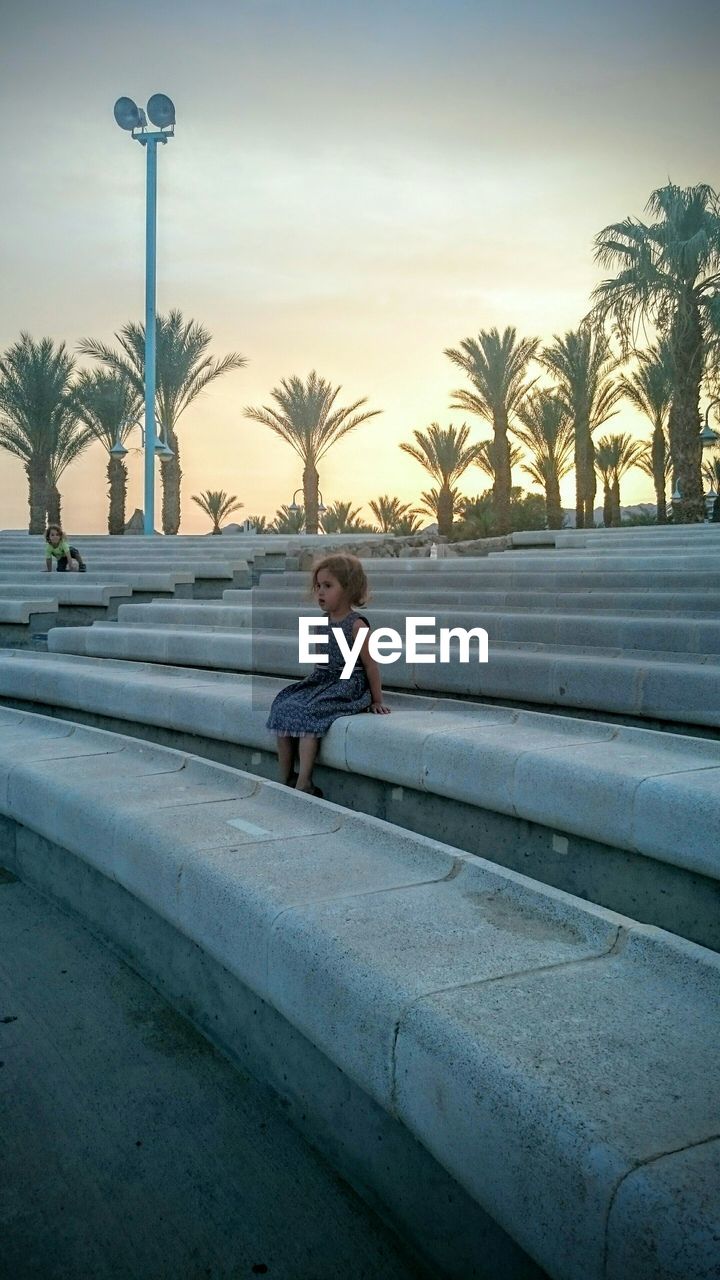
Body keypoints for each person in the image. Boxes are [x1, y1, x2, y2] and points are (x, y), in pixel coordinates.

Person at [266, 553, 391, 795]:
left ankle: (304, 781)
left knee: (309, 713)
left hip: (348, 685)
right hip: (324, 681)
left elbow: (371, 666)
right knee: (282, 705)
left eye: (328, 586)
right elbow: (320, 664)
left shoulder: (357, 625)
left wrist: (376, 700)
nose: (320, 592)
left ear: (348, 589)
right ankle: (285, 777)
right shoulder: (322, 624)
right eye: (318, 586)